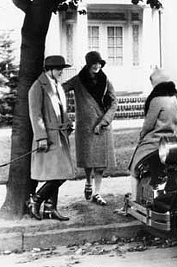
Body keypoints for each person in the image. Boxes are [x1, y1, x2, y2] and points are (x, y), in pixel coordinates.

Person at [63, 51, 118, 205]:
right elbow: (60, 90)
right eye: (94, 63)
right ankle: (88, 183)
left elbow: (114, 103)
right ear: (88, 64)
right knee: (88, 159)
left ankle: (97, 192)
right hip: (86, 126)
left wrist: (104, 121)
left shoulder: (105, 81)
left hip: (102, 126)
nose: (97, 66)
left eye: (99, 63)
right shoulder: (78, 80)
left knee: (100, 162)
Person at [27, 55, 75, 221]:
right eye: (59, 69)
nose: (61, 72)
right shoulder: (37, 87)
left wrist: (68, 123)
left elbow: (62, 111)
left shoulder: (57, 86)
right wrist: (41, 137)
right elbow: (36, 114)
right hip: (48, 137)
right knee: (60, 173)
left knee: (60, 172)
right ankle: (36, 200)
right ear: (49, 69)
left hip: (60, 136)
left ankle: (50, 209)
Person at [128, 68, 177, 191]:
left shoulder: (156, 100)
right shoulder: (174, 99)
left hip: (153, 141)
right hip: (170, 140)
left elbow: (148, 125)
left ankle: (135, 200)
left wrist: (141, 136)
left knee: (134, 169)